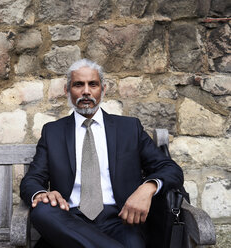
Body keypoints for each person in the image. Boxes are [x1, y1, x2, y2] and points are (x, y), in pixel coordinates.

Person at [20, 59, 183, 248]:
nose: (86, 91)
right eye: (78, 84)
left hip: (121, 221)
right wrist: (41, 194)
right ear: (67, 90)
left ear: (103, 89)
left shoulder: (129, 128)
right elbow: (31, 180)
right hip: (69, 221)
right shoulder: (53, 132)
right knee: (42, 210)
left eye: (93, 84)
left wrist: (147, 188)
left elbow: (170, 169)